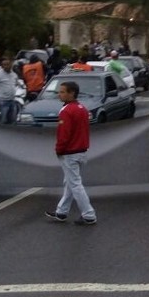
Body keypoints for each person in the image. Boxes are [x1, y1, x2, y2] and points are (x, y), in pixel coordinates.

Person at [45, 81, 96, 225]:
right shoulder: (82, 109)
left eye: (62, 92)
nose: (59, 94)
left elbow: (64, 134)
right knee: (70, 182)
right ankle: (62, 212)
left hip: (70, 152)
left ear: (71, 93)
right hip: (81, 150)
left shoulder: (66, 111)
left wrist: (59, 149)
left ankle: (89, 214)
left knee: (75, 184)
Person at [0, 58, 20, 124]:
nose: (6, 66)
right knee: (2, 120)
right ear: (2, 66)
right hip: (2, 101)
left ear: (11, 64)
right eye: (4, 65)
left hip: (12, 100)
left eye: (8, 64)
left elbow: (16, 83)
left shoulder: (14, 74)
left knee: (12, 120)